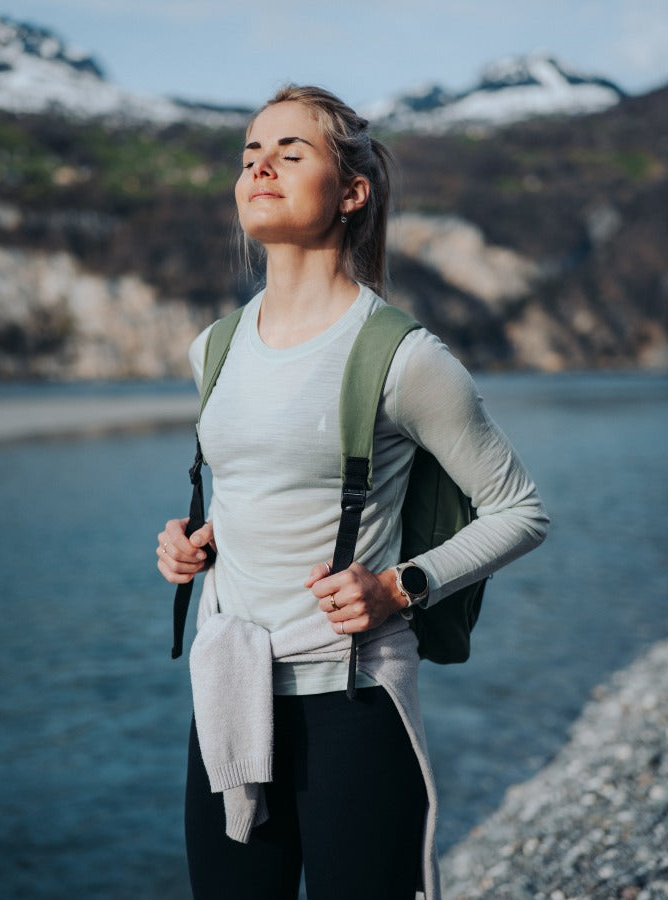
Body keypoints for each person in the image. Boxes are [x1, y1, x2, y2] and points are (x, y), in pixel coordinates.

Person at [157, 85, 549, 900]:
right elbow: (255, 490)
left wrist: (403, 584)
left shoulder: (405, 357)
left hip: (355, 701)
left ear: (351, 191)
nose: (260, 165)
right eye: (249, 153)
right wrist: (193, 541)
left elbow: (521, 510)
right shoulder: (213, 348)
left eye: (290, 152)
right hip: (229, 695)